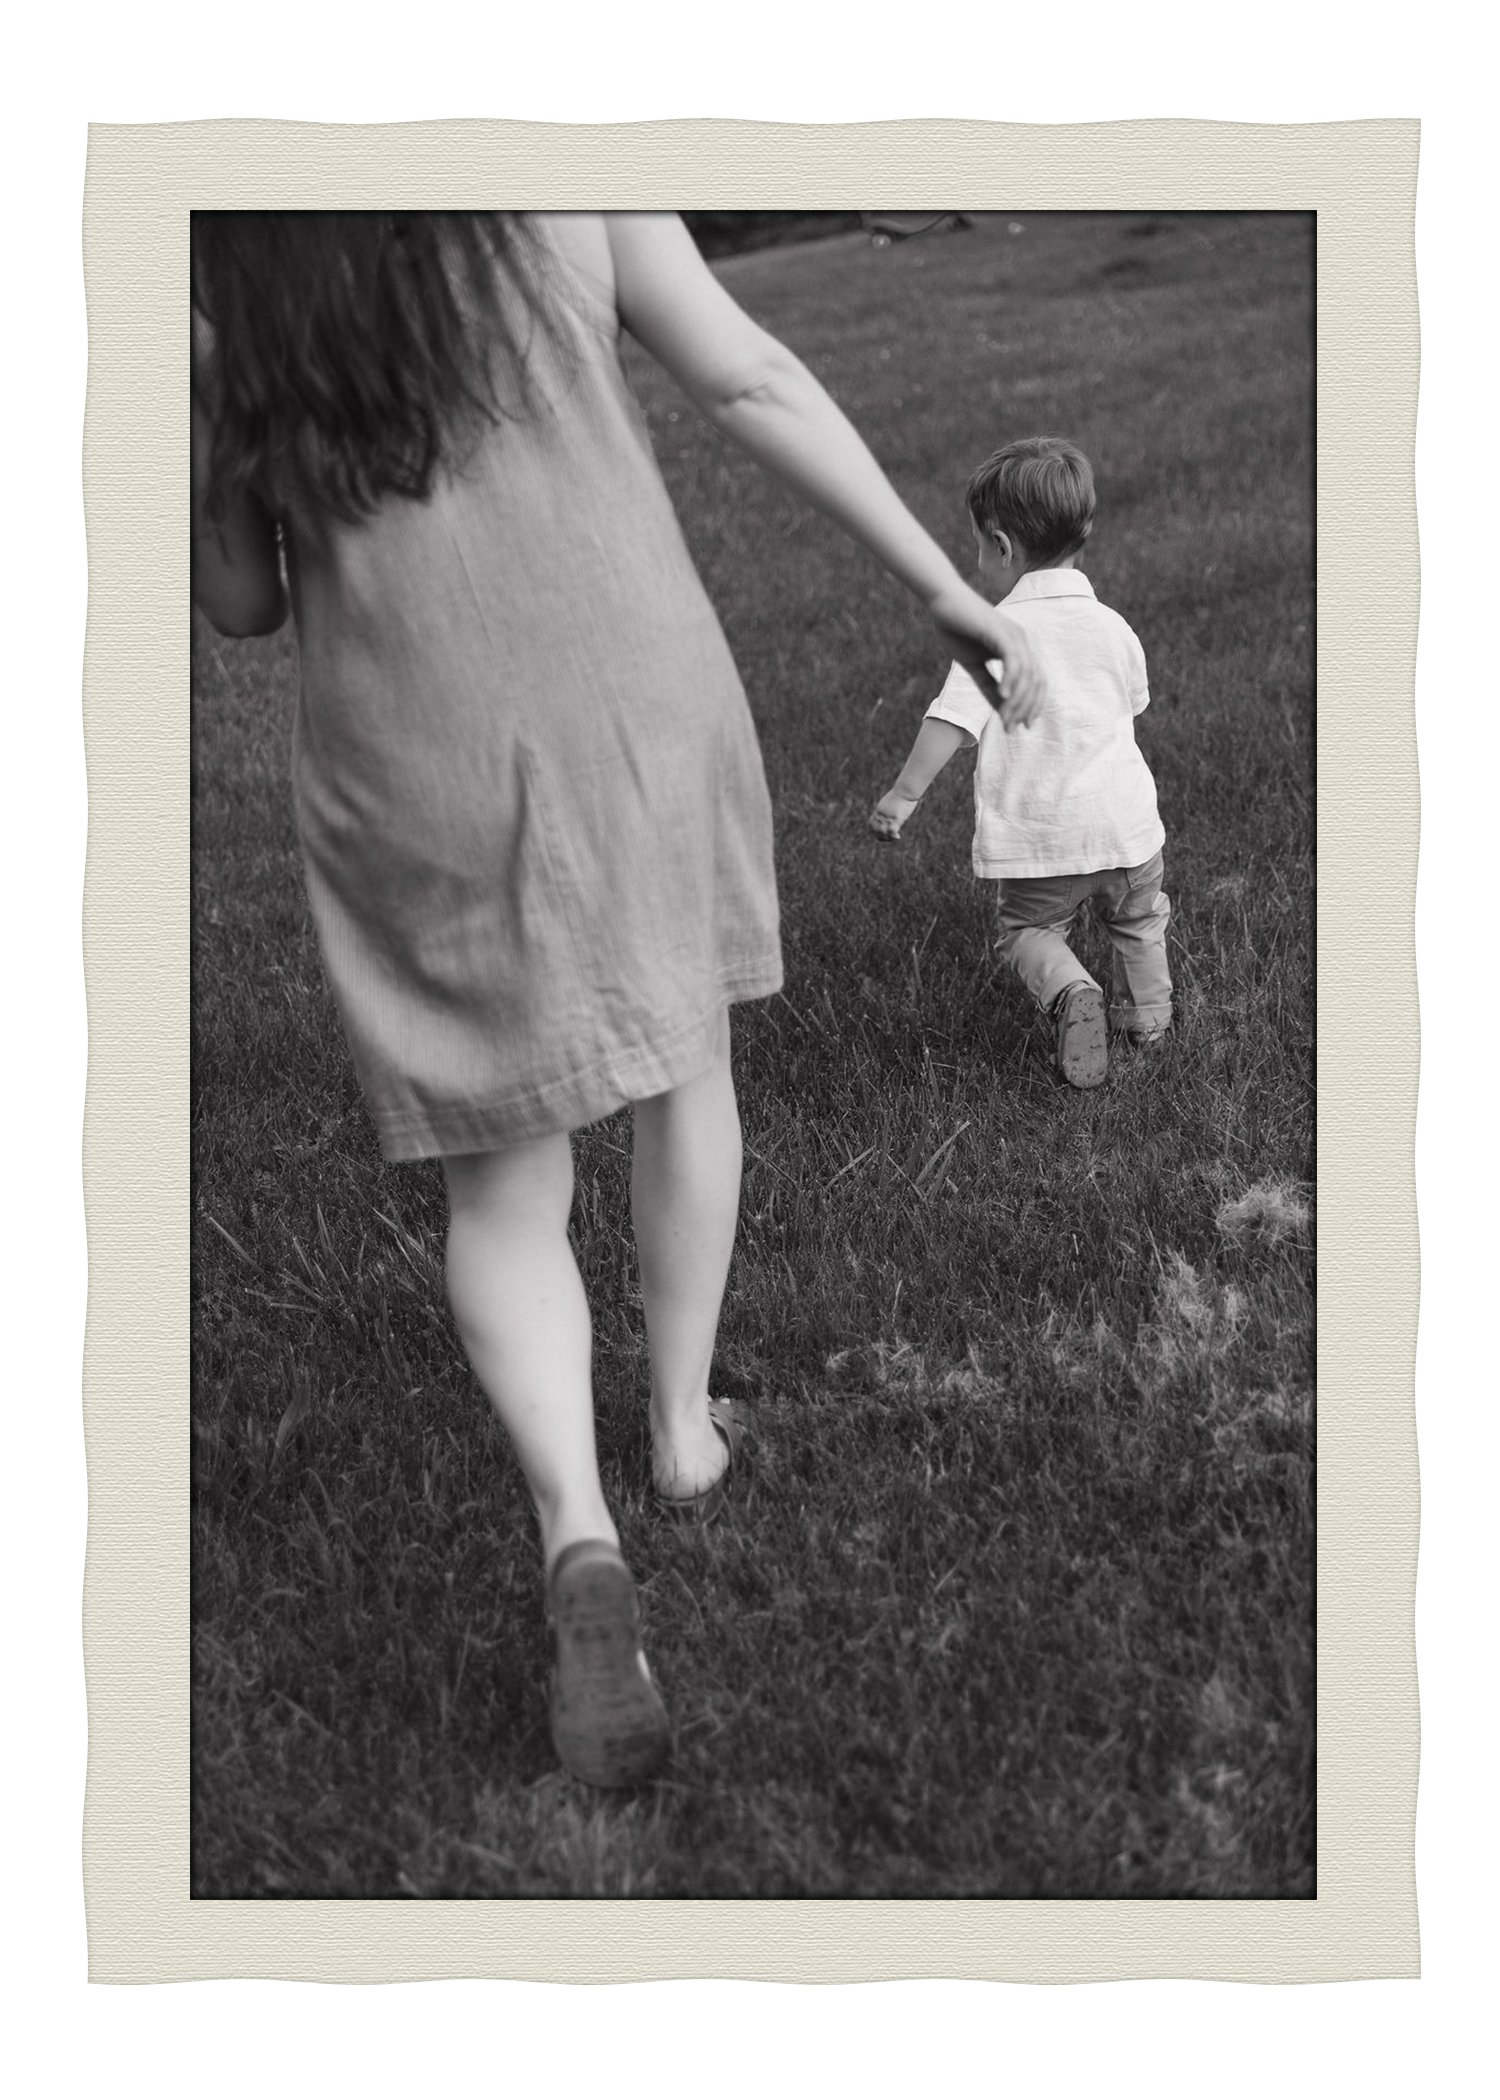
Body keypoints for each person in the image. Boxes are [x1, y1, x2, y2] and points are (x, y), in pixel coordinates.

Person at [190, 211, 1047, 1790]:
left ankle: (576, 1530)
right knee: (686, 1069)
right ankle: (680, 1426)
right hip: (634, 695)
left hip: (406, 754)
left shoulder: (236, 267)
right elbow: (750, 374)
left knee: (504, 1188)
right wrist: (939, 584)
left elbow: (243, 600)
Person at [870, 435, 1171, 1090]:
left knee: (1028, 930)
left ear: (1002, 546)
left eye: (979, 546)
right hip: (1129, 833)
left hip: (1046, 840)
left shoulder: (995, 634)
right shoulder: (1115, 626)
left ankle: (1071, 992)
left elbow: (951, 717)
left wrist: (904, 794)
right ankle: (1148, 1019)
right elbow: (1133, 705)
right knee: (1140, 919)